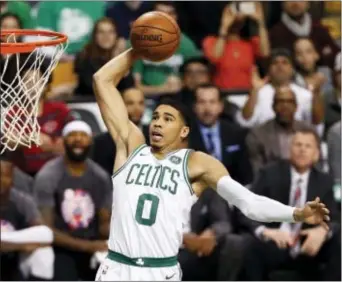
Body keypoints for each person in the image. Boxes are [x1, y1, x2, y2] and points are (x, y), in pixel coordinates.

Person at [92, 48, 330, 281]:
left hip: (159, 270)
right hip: (116, 268)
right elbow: (101, 80)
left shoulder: (196, 163)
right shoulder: (132, 148)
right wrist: (137, 50)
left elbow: (249, 203)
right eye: (155, 117)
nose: (158, 123)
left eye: (168, 119)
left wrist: (296, 214)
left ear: (184, 130)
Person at [239, 128, 341, 281]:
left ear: (316, 154)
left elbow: (334, 218)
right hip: (275, 241)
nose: (302, 150)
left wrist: (323, 231)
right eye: (298, 145)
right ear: (289, 149)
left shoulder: (324, 181)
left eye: (308, 146)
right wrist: (265, 231)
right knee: (250, 246)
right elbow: (245, 208)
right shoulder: (269, 174)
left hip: (308, 246)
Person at [34, 120, 112, 280]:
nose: (78, 139)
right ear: (63, 141)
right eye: (72, 135)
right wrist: (86, 247)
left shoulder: (100, 177)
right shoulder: (48, 175)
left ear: (91, 140)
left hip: (93, 245)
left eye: (83, 135)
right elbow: (45, 230)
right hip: (60, 247)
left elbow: (104, 224)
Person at [190, 83, 253, 185]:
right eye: (202, 102)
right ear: (194, 107)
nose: (207, 108)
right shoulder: (183, 136)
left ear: (220, 106)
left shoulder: (235, 133)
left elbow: (246, 176)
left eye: (212, 102)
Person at [246, 85, 315, 177]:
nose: (285, 106)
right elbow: (258, 172)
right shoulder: (258, 134)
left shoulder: (309, 132)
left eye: (289, 102)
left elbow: (317, 166)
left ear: (296, 107)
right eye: (280, 102)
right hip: (270, 186)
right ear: (273, 106)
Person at [92, 87, 149, 175]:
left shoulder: (156, 136)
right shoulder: (101, 143)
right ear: (120, 106)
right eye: (130, 103)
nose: (137, 108)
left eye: (141, 103)